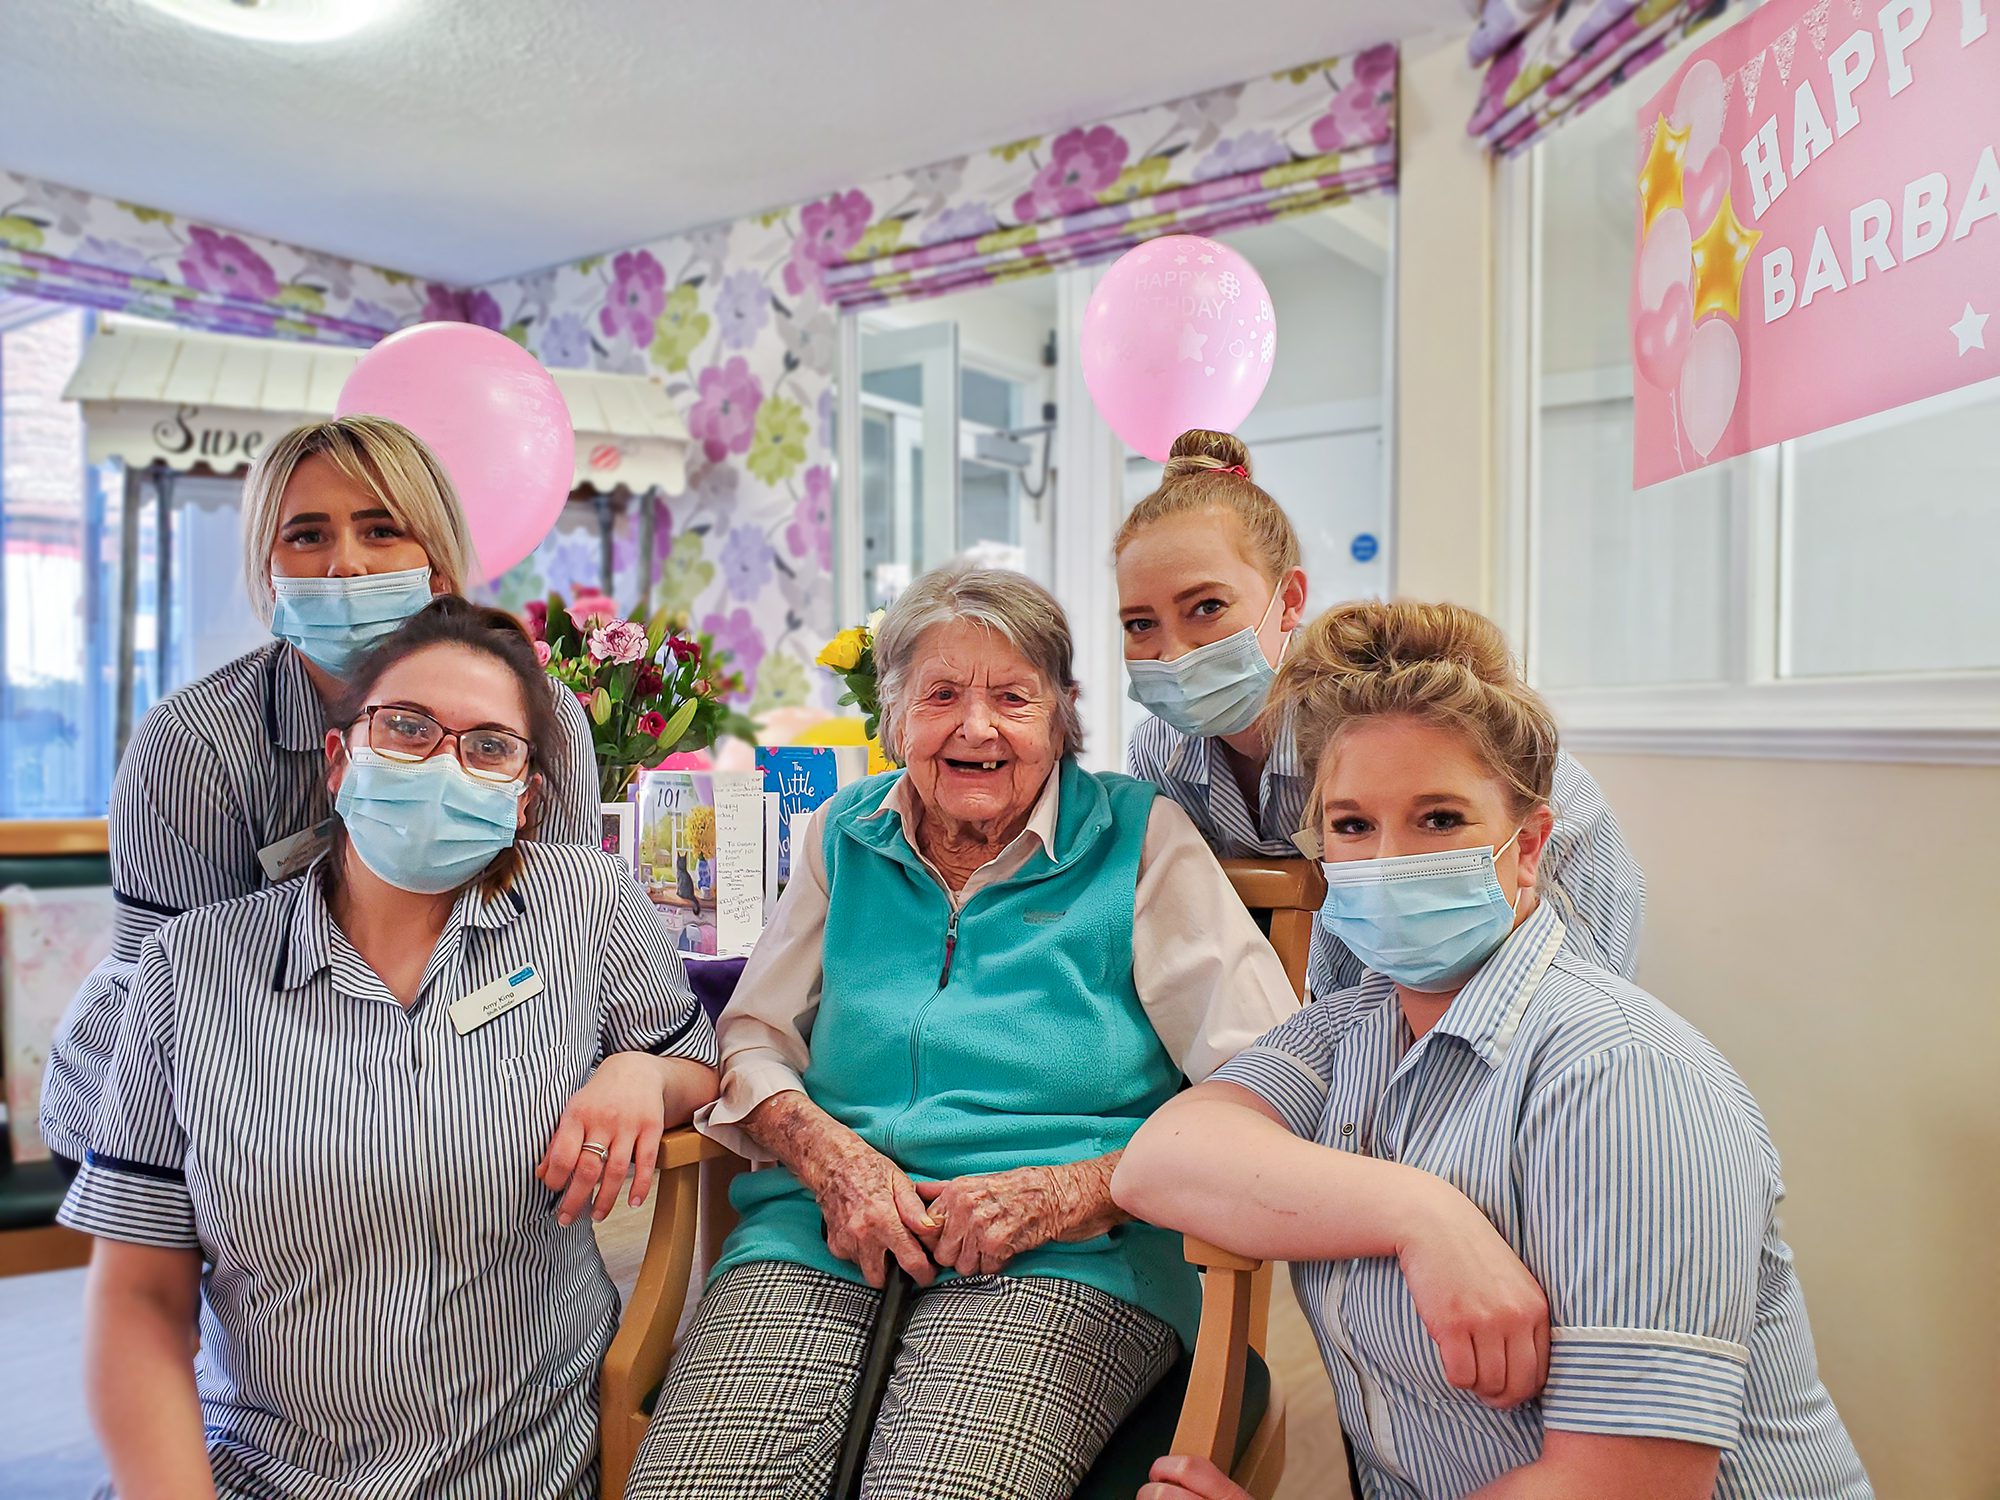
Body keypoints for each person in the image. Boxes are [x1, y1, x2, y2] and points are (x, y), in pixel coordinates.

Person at [1114, 601, 1871, 1500]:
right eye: (1353, 827)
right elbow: (1158, 1163)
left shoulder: (1616, 1072)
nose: (1389, 860)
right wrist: (1419, 1214)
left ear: (1529, 849)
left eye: (1438, 819)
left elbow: (1616, 1485)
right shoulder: (1353, 1031)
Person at [623, 566, 1301, 1499]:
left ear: (1062, 715)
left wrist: (1074, 1193)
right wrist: (831, 1163)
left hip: (1070, 1256)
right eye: (941, 695)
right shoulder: (842, 832)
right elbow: (753, 1040)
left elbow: (1266, 1079)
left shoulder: (1139, 839)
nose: (976, 728)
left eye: (1013, 697)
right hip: (824, 1228)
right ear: (896, 717)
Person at [59, 598, 719, 1500]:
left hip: (525, 1465)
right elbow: (137, 1296)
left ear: (525, 798)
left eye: (489, 746)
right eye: (407, 727)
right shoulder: (190, 968)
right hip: (258, 1468)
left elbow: (697, 1062)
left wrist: (642, 1072)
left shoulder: (586, 906)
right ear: (339, 760)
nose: (445, 764)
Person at [40, 416, 602, 1176]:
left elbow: (553, 948)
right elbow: (169, 1004)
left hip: (457, 1081)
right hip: (209, 1101)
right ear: (267, 570)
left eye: (380, 531)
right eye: (306, 536)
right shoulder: (197, 745)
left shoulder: (538, 719)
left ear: (436, 565)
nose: (345, 565)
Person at [1116, 429, 1645, 992]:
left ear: (1289, 600)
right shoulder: (1161, 756)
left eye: (1207, 607)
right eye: (1140, 624)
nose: (1172, 653)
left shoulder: (1374, 721)